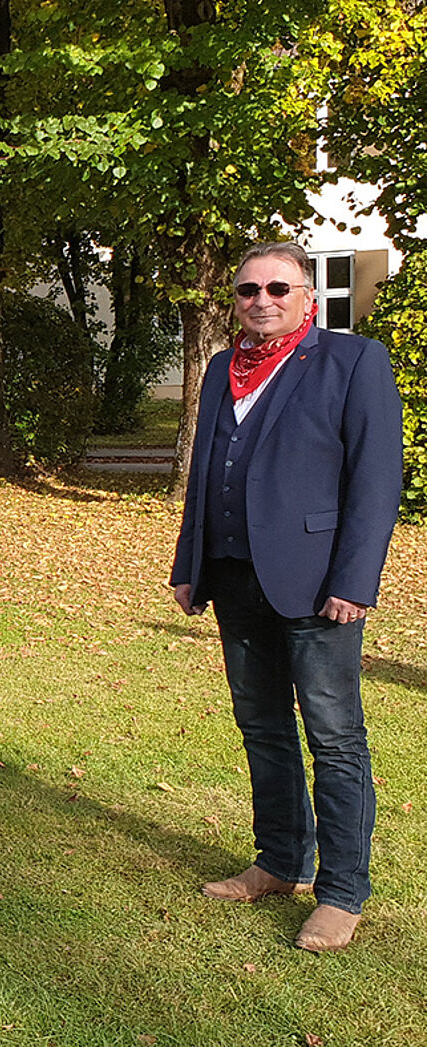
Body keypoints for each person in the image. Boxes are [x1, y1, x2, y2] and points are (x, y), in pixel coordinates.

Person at [171, 240, 404, 952]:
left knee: (333, 736)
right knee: (263, 724)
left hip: (317, 583)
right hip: (235, 575)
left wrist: (353, 582)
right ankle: (280, 859)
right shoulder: (219, 369)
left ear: (306, 296)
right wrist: (190, 563)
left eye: (278, 288)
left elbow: (375, 479)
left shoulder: (351, 361)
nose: (261, 300)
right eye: (248, 290)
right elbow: (205, 469)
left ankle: (342, 890)